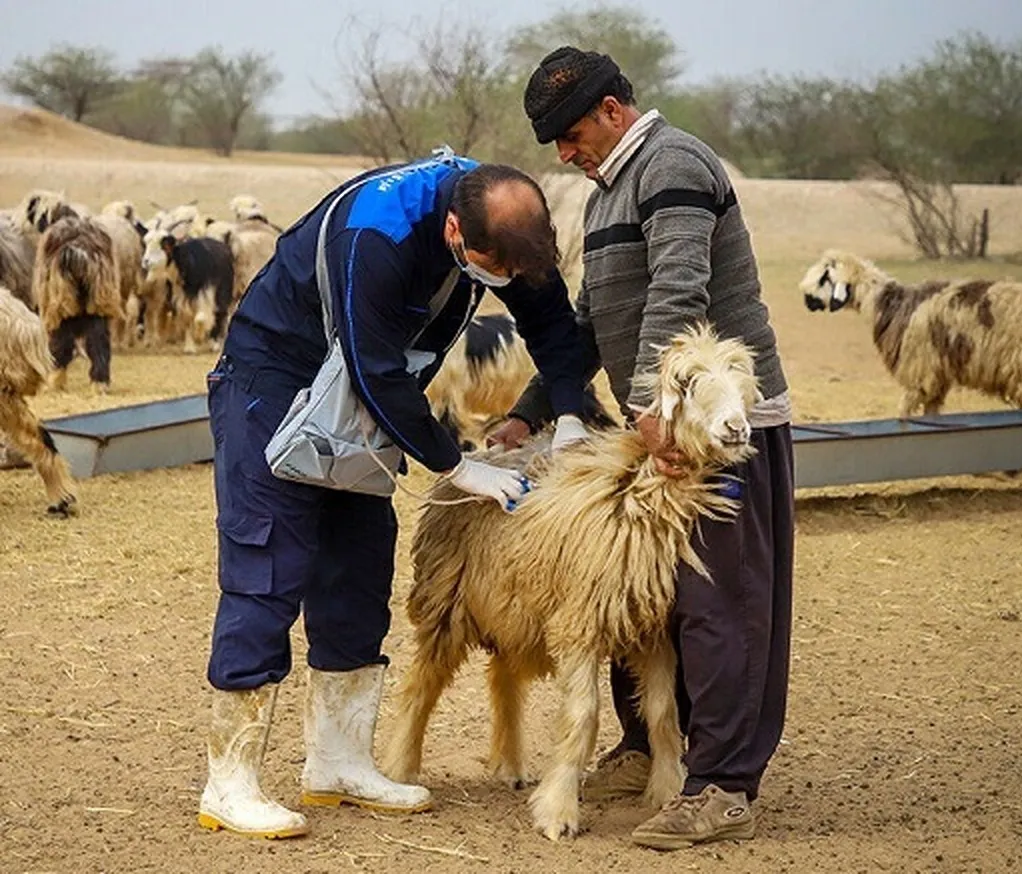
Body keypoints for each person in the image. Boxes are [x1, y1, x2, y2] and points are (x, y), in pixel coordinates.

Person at [198, 153, 592, 839]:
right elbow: (373, 364)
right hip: (275, 379)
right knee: (268, 565)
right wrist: (458, 465)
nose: (501, 283)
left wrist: (570, 417)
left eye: (511, 272)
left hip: (360, 395)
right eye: (490, 268)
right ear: (451, 234)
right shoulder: (376, 233)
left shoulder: (506, 229)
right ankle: (230, 783)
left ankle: (338, 762)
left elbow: (554, 324)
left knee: (358, 563)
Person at [490, 47, 795, 851]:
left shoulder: (674, 166)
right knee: (632, 597)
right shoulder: (611, 191)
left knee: (717, 605)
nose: (562, 152)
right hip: (655, 431)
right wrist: (528, 411)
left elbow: (680, 290)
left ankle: (723, 783)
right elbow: (593, 320)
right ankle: (646, 749)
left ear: (613, 111)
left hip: (714, 434)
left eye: (569, 132)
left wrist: (652, 409)